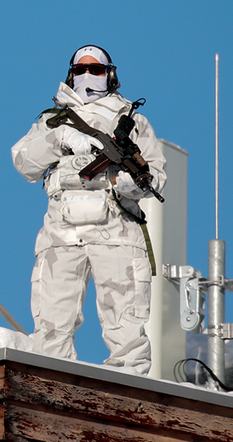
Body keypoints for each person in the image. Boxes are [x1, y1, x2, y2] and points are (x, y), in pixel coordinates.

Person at [11, 45, 166, 375]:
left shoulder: (132, 121)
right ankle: (49, 392)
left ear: (109, 74)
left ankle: (129, 397)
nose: (87, 76)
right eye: (80, 70)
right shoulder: (52, 121)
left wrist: (127, 182)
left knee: (126, 329)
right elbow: (24, 163)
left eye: (95, 70)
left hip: (116, 233)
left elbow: (155, 177)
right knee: (51, 328)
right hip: (61, 236)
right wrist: (59, 138)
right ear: (71, 74)